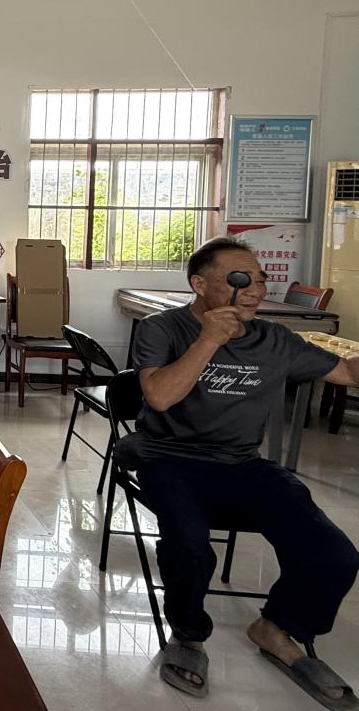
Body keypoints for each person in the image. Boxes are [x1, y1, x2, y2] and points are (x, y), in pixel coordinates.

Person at [127, 237, 359, 705]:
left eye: (260, 279)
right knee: (189, 544)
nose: (255, 289)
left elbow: (349, 374)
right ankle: (188, 635)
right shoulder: (162, 328)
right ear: (199, 284)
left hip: (242, 463)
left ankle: (277, 628)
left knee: (334, 553)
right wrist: (209, 339)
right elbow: (160, 397)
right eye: (239, 279)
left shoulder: (274, 339)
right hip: (168, 458)